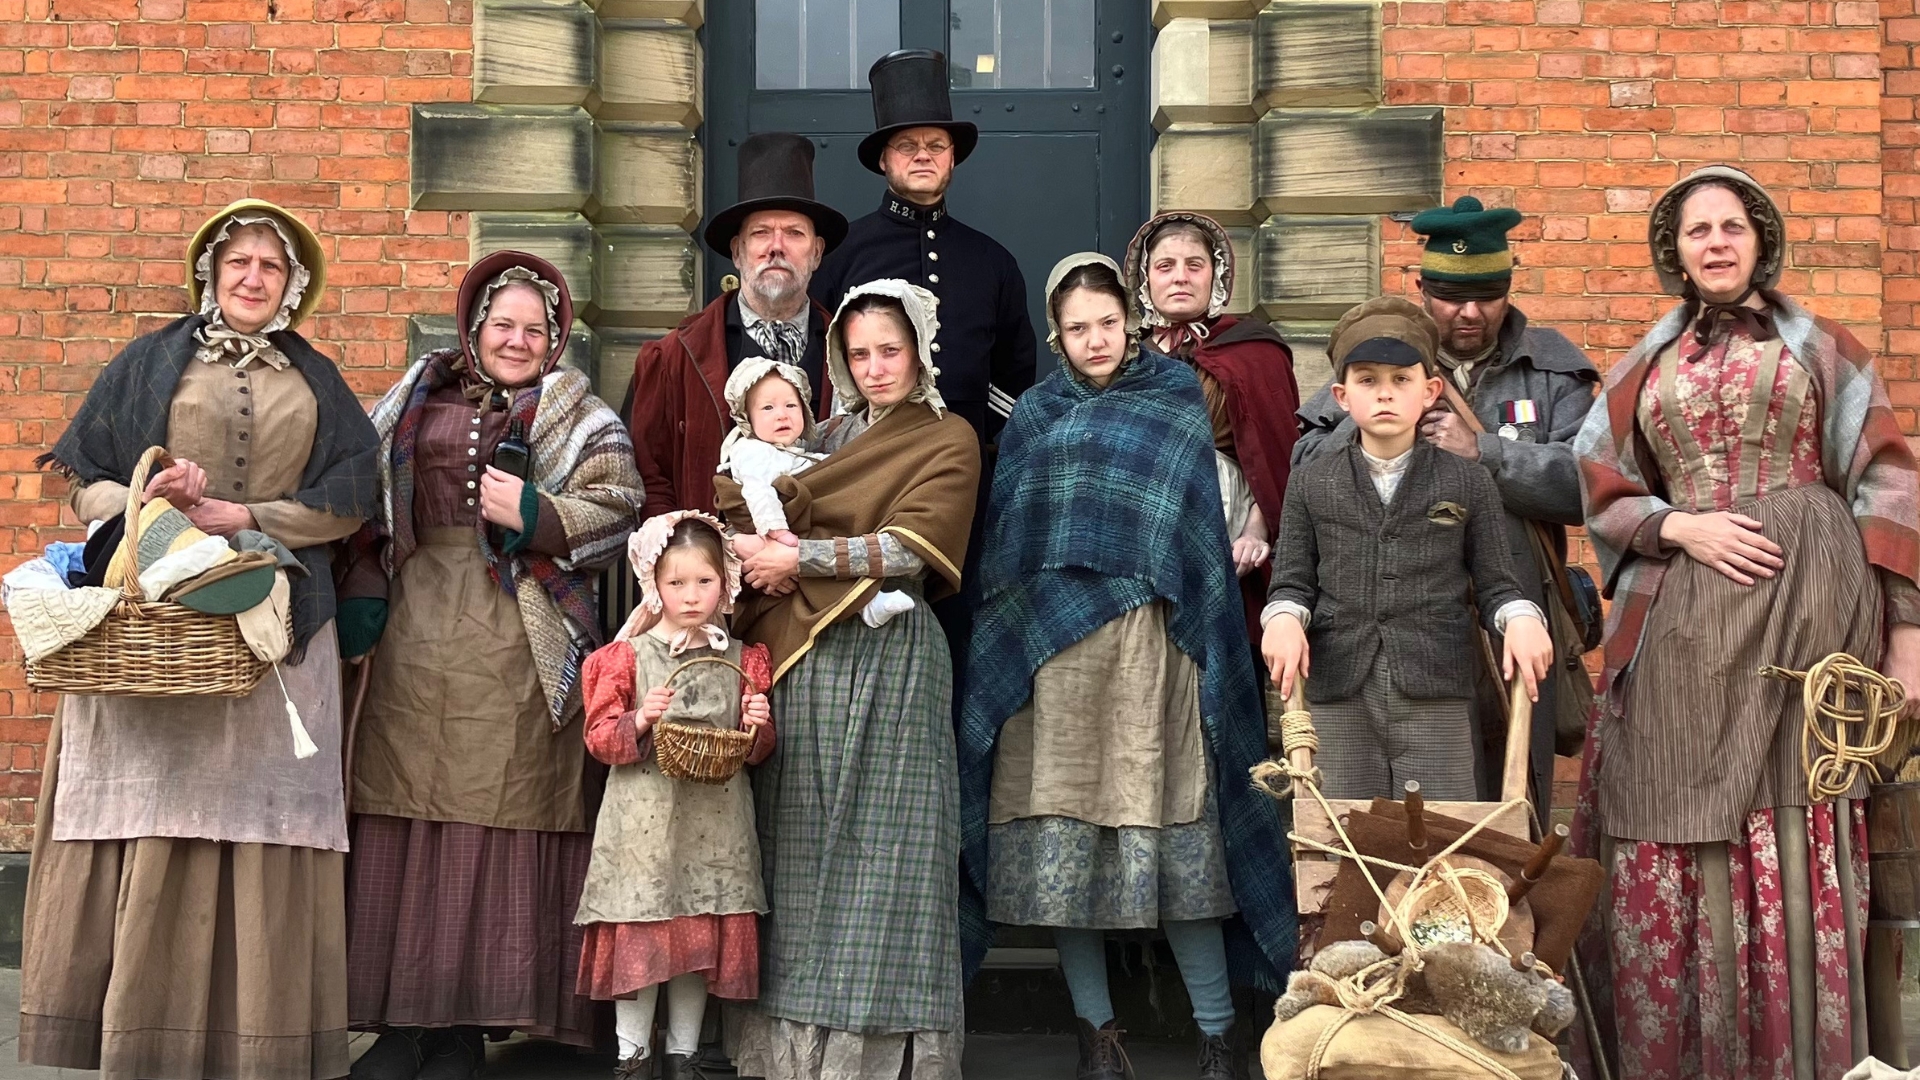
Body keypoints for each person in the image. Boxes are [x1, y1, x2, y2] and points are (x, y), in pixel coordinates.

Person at [1572, 165, 1920, 1079]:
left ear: (1761, 240)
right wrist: (1678, 525)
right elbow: (1601, 481)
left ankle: (1794, 1057)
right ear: (1676, 253)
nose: (1716, 242)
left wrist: (1908, 638)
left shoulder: (1824, 348)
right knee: (1662, 794)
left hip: (1810, 608)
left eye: (1732, 226)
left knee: (1793, 802)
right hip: (1686, 620)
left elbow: (1888, 477)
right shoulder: (1646, 365)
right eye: (1698, 231)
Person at [22, 198, 379, 1079]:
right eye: (238, 263)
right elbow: (84, 482)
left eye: (271, 265)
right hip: (158, 626)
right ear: (210, 273)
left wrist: (248, 516)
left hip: (277, 628)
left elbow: (353, 497)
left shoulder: (319, 382)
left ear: (294, 283)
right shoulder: (149, 361)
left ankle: (260, 1037)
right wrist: (151, 502)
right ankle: (140, 1036)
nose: (253, 278)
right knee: (155, 812)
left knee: (262, 822)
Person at [959, 253, 1296, 1080]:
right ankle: (1097, 1036)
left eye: (1108, 323)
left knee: (1178, 839)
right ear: (1056, 336)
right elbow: (1010, 546)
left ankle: (1217, 1036)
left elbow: (1197, 539)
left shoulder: (1176, 398)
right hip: (1053, 659)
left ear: (1131, 322)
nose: (1095, 340)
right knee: (1062, 848)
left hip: (1155, 650)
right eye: (1077, 328)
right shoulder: (1035, 415)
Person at [338, 250, 645, 1080]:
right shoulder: (413, 395)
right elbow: (362, 505)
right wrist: (362, 590)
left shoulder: (583, 415)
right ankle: (404, 1025)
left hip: (520, 627)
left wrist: (538, 512)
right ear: (474, 329)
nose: (517, 340)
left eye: (534, 329)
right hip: (412, 631)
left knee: (498, 811)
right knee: (402, 808)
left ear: (556, 338)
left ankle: (465, 1028)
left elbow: (620, 509)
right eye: (503, 325)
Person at [714, 280, 980, 1080]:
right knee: (798, 847)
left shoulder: (949, 437)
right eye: (859, 354)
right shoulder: (817, 435)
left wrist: (798, 557)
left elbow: (908, 547)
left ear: (920, 351)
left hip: (893, 661)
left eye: (890, 350)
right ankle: (790, 1053)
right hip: (806, 660)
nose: (875, 367)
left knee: (892, 853)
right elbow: (747, 500)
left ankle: (883, 1058)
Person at [1294, 196, 1598, 810]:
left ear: (1508, 288)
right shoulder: (1385, 355)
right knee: (1406, 805)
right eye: (1450, 296)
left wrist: (1484, 451)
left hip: (1513, 605)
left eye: (1487, 295)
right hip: (1404, 623)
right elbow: (1305, 465)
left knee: (1515, 789)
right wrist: (1383, 418)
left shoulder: (1550, 371)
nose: (1469, 312)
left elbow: (1588, 486)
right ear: (1422, 289)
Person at [809, 48, 1040, 695]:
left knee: (965, 638)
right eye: (907, 146)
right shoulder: (844, 255)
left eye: (935, 145)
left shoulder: (992, 261)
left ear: (952, 157)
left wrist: (967, 442)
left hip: (964, 489)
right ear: (884, 160)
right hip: (863, 482)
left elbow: (1015, 375)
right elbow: (820, 369)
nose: (922, 156)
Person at [1260, 297, 1554, 802]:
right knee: (1342, 835)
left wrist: (1522, 618)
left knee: (1440, 836)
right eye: (1367, 380)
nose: (1385, 394)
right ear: (1341, 396)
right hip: (1338, 686)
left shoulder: (1468, 481)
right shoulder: (1311, 481)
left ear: (1430, 391)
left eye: (1401, 379)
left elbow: (1497, 585)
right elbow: (1292, 580)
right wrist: (1283, 617)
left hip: (1435, 687)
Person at [574, 511, 776, 1080]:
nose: (691, 596)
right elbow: (599, 739)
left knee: (696, 934)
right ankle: (631, 1057)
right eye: (677, 582)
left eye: (704, 581)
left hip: (715, 823)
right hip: (643, 824)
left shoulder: (743, 658)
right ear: (654, 584)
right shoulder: (627, 657)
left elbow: (756, 751)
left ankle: (683, 1056)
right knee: (642, 932)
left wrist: (757, 725)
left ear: (725, 582)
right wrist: (640, 718)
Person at [624, 132, 846, 519]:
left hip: (821, 554)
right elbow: (646, 475)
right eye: (761, 232)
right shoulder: (671, 358)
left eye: (794, 233)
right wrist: (687, 544)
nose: (776, 246)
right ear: (737, 251)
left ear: (817, 252)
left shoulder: (849, 354)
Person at [1120, 212, 1301, 636]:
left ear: (1215, 274)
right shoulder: (1122, 357)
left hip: (1230, 542)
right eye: (1165, 266)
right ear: (1146, 278)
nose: (1180, 277)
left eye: (1194, 265)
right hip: (1137, 545)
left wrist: (1255, 533)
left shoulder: (1255, 351)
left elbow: (1279, 463)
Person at [717, 356, 916, 628]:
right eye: (767, 408)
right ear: (747, 419)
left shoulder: (793, 450)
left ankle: (866, 603)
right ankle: (868, 604)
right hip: (773, 527)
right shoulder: (751, 450)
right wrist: (776, 533)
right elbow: (757, 492)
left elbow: (817, 466)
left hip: (793, 523)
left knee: (826, 546)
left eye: (791, 405)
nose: (782, 414)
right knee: (815, 548)